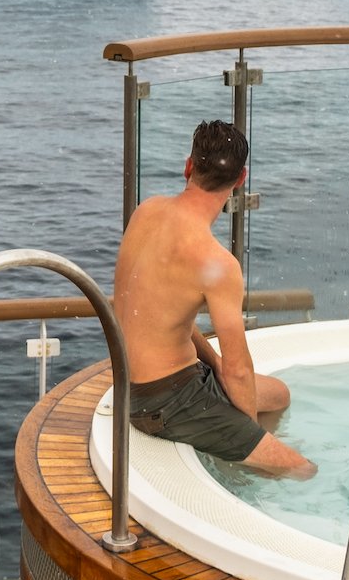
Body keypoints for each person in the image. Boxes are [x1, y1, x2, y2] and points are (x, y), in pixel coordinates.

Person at [114, 120, 315, 479]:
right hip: (162, 403)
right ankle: (237, 479)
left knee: (279, 395)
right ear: (241, 180)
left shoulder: (146, 211)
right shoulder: (217, 263)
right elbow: (239, 370)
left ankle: (232, 458)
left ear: (189, 166)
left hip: (142, 382)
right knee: (302, 470)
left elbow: (154, 312)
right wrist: (246, 436)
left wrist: (213, 363)